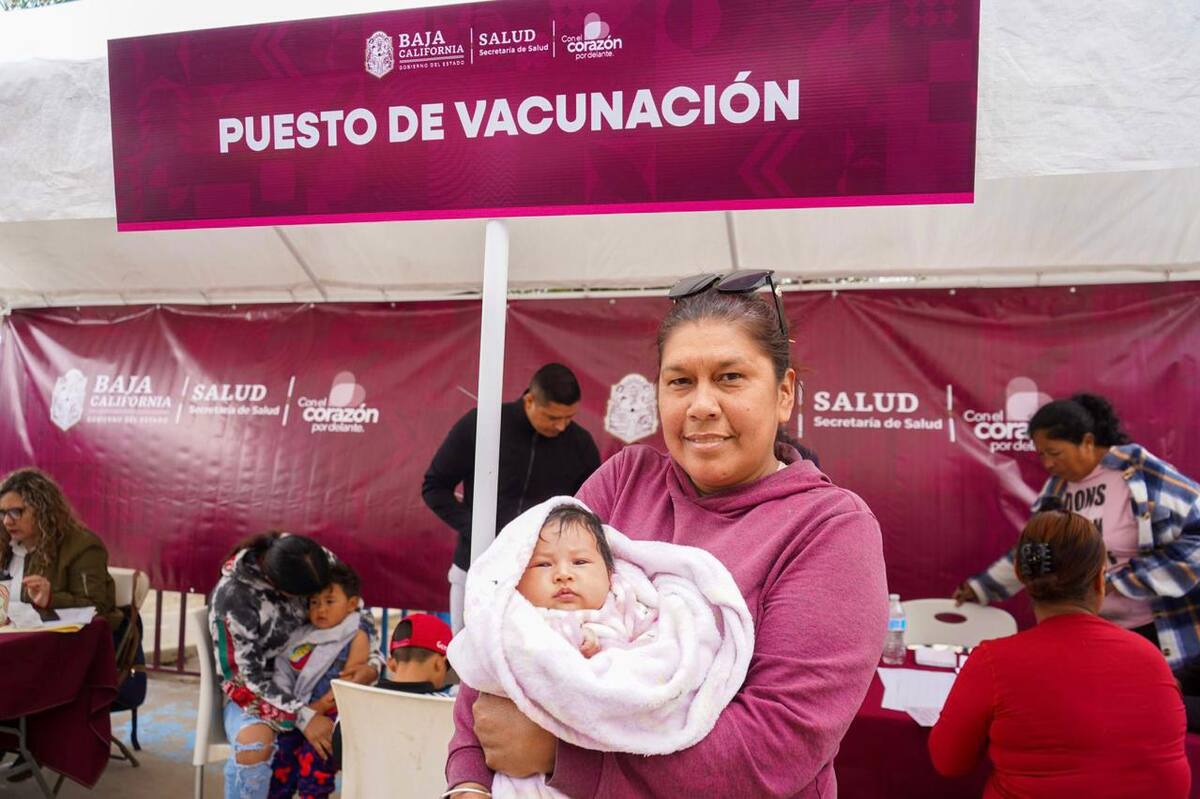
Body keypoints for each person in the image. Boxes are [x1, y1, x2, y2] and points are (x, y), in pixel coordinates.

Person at [445, 270, 888, 798]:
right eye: (680, 381)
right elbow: (508, 624)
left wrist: (561, 757)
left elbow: (775, 748)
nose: (701, 404)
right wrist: (468, 778)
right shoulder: (625, 479)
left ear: (785, 393)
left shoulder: (830, 529)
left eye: (730, 377)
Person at [449, 496, 753, 799]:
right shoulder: (518, 626)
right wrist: (468, 782)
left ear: (610, 574)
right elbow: (479, 679)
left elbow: (660, 653)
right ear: (515, 579)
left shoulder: (627, 606)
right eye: (543, 564)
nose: (563, 574)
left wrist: (611, 651)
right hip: (525, 783)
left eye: (580, 562)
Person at [930, 510, 1189, 797]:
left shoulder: (994, 662)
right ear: (1099, 582)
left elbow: (949, 762)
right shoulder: (1151, 659)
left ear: (1021, 576)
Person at [953, 394, 1200, 672]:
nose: (1047, 463)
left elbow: (1197, 540)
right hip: (1086, 630)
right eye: (1042, 454)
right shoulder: (1057, 490)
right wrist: (982, 588)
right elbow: (1036, 549)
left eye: (1054, 453)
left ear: (1087, 442)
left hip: (1152, 632)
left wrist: (1122, 581)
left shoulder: (1140, 474)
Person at [423, 362, 602, 632]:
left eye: (569, 418)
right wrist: (478, 529)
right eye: (553, 417)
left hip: (545, 576)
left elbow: (588, 511)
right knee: (469, 661)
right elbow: (434, 487)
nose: (562, 427)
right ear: (529, 399)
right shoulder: (482, 426)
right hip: (476, 564)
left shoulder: (581, 445)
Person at [209, 532, 384, 799]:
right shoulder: (233, 598)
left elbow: (357, 610)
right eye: (309, 599)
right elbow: (240, 681)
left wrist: (371, 665)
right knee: (253, 745)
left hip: (326, 687)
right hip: (258, 693)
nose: (316, 608)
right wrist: (305, 716)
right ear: (281, 589)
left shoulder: (314, 560)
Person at [268, 563, 369, 799]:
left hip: (334, 714)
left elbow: (350, 684)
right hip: (301, 710)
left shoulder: (356, 636)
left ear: (352, 604)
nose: (320, 609)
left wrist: (321, 707)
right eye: (314, 602)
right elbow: (283, 674)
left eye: (329, 601)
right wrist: (303, 711)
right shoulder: (302, 634)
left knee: (315, 756)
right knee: (281, 751)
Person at [0, 468, 121, 629]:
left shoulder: (83, 546)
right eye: (2, 513)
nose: (7, 521)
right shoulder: (6, 544)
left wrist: (51, 599)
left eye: (16, 512)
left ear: (42, 509)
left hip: (63, 644)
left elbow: (97, 608)